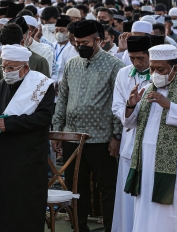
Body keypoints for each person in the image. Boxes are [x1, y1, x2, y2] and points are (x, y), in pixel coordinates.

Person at [124, 44, 177, 231]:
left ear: (175, 69)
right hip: (146, 164)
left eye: (160, 69)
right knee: (147, 208)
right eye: (152, 69)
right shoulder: (146, 90)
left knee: (174, 212)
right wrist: (130, 106)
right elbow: (130, 124)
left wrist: (170, 105)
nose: (155, 73)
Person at [52, 20, 124, 232]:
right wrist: (58, 130)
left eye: (84, 42)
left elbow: (117, 104)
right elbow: (62, 98)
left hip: (101, 139)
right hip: (72, 138)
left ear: (98, 40)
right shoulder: (72, 64)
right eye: (76, 42)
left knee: (107, 189)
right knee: (75, 189)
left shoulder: (114, 66)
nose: (79, 45)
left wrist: (116, 136)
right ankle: (78, 228)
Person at [0, 44, 54, 231]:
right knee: (1, 204)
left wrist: (9, 124)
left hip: (28, 155)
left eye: (11, 68)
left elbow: (43, 118)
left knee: (24, 205)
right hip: (2, 154)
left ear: (25, 68)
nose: (7, 71)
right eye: (4, 67)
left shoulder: (41, 86)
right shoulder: (3, 84)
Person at [111, 35, 153, 232]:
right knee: (127, 200)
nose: (137, 62)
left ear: (150, 55)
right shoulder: (123, 73)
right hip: (130, 143)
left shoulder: (160, 74)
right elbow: (117, 107)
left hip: (153, 144)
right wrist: (130, 107)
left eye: (141, 58)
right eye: (133, 57)